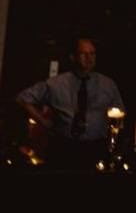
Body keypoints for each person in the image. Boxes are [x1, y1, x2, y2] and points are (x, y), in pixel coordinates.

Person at [16, 36, 124, 170]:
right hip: (64, 146)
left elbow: (120, 112)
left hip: (96, 147)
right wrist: (43, 121)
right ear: (73, 57)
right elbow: (23, 98)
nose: (89, 57)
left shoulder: (107, 84)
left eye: (92, 53)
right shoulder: (57, 83)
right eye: (84, 53)